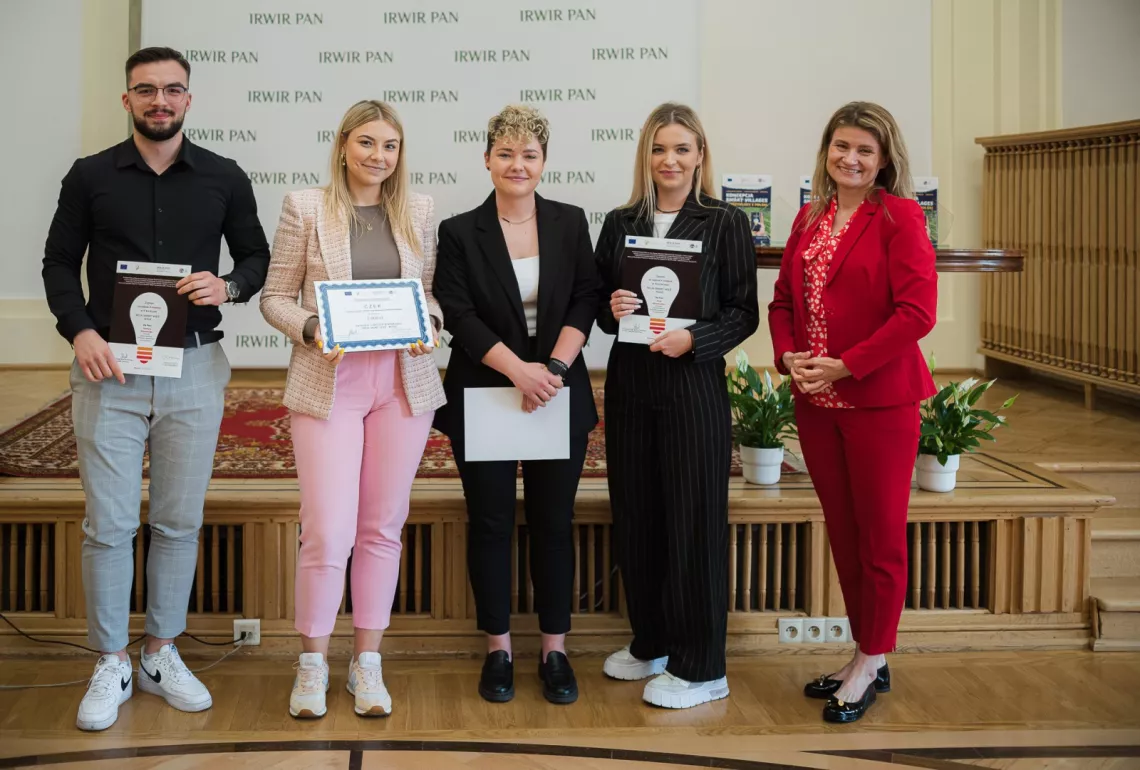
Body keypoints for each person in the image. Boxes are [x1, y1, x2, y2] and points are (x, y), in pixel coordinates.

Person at [41, 46, 270, 731]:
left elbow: (256, 257)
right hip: (106, 368)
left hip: (194, 367)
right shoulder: (89, 176)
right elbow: (57, 261)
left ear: (189, 100)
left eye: (173, 90)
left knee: (177, 522)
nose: (160, 101)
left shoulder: (224, 177)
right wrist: (79, 331)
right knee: (109, 526)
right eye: (146, 90)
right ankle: (111, 659)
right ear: (127, 100)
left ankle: (160, 652)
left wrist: (227, 285)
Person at [259, 100, 445, 719]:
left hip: (403, 383)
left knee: (382, 527)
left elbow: (430, 294)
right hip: (329, 382)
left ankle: (367, 662)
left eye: (389, 146)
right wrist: (313, 328)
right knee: (328, 529)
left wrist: (433, 322)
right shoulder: (305, 206)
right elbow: (275, 296)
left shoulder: (419, 210)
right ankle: (312, 662)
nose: (378, 156)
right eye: (367, 143)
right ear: (343, 145)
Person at [768, 101, 937, 723]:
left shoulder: (900, 217)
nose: (851, 158)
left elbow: (916, 314)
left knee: (881, 536)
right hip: (816, 402)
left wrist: (845, 363)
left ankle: (871, 660)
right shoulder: (809, 217)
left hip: (879, 401)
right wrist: (790, 357)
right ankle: (868, 651)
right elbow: (784, 299)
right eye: (841, 146)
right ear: (826, 151)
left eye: (865, 150)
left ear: (884, 159)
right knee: (844, 532)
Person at [432, 104, 600, 705]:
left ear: (544, 162)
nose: (517, 164)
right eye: (505, 153)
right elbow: (458, 313)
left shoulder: (570, 221)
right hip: (485, 394)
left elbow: (586, 297)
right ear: (486, 159)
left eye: (529, 154)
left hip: (557, 392)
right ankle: (497, 649)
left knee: (555, 525)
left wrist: (551, 369)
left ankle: (555, 650)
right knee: (493, 524)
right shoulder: (458, 231)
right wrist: (519, 372)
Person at [595, 102, 758, 709]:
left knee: (693, 521)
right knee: (636, 515)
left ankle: (702, 665)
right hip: (632, 385)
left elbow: (744, 311)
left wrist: (696, 339)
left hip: (693, 386)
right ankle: (653, 643)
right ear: (646, 155)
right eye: (660, 149)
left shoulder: (724, 222)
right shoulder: (618, 222)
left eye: (682, 149)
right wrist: (609, 308)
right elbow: (599, 306)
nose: (670, 160)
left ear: (700, 155)